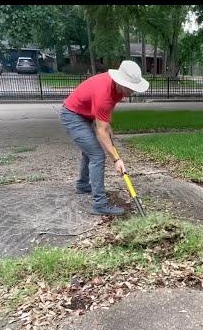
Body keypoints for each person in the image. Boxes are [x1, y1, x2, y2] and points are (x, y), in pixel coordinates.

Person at [59, 60, 149, 215]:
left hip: (84, 115)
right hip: (72, 116)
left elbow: (107, 112)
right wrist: (116, 159)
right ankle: (99, 204)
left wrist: (108, 125)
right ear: (120, 81)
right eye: (130, 87)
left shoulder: (118, 89)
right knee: (97, 155)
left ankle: (83, 185)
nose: (132, 91)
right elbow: (101, 132)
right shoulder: (104, 93)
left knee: (91, 151)